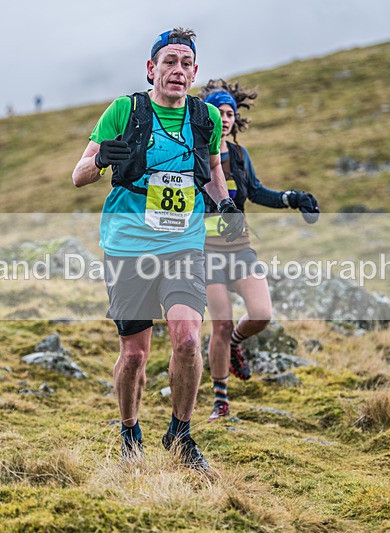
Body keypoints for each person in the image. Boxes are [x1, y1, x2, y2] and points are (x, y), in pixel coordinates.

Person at [72, 28, 244, 472]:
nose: (178, 70)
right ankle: (130, 429)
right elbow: (78, 176)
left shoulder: (204, 118)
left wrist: (224, 202)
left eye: (186, 63)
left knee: (188, 339)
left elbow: (210, 172)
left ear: (194, 72)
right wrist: (101, 160)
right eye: (169, 62)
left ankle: (180, 434)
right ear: (152, 68)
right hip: (128, 244)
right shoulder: (124, 110)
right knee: (135, 354)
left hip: (183, 241)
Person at [198, 79, 320, 422]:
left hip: (240, 250)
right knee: (219, 325)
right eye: (217, 112)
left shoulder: (238, 155)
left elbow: (257, 192)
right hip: (206, 254)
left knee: (261, 313)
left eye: (229, 113)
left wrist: (292, 199)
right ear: (205, 115)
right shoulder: (194, 153)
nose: (224, 118)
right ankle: (220, 400)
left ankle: (238, 343)